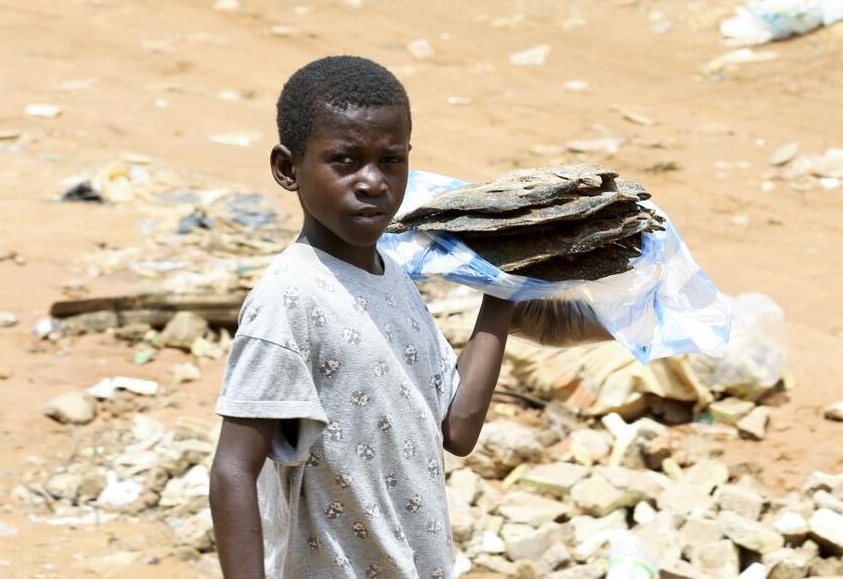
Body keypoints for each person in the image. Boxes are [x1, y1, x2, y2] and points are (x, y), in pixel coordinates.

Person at [209, 55, 608, 579]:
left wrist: (502, 286)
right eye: (345, 161)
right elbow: (233, 470)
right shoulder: (291, 299)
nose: (372, 182)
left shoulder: (392, 277)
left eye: (391, 161)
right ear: (288, 169)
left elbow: (457, 428)